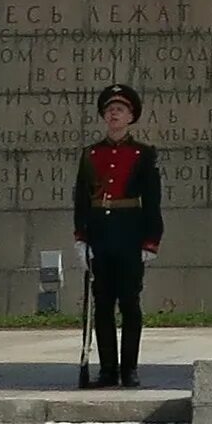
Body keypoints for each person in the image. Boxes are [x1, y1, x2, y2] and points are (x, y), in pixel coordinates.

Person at [71, 84, 163, 388]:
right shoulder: (91, 154)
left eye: (120, 110)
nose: (114, 114)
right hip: (100, 233)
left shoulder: (144, 154)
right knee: (103, 304)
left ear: (131, 116)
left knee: (130, 304)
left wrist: (151, 240)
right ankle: (108, 368)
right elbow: (82, 198)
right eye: (110, 110)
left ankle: (129, 368)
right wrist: (81, 237)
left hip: (129, 233)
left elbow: (152, 199)